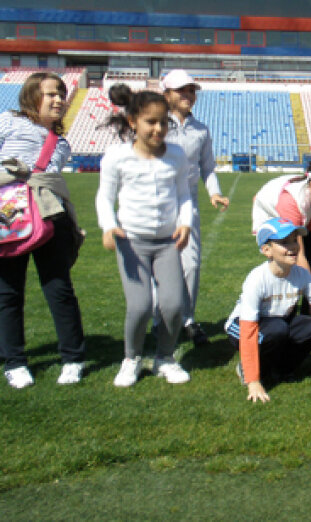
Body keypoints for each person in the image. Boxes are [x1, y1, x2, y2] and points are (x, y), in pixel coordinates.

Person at [96, 85, 193, 387]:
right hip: (132, 243)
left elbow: (184, 194)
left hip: (167, 243)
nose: (158, 129)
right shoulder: (117, 157)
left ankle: (165, 357)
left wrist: (186, 223)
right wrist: (109, 226)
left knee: (173, 305)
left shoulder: (176, 155)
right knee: (139, 307)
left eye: (163, 122)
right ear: (132, 122)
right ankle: (132, 358)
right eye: (150, 122)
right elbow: (104, 197)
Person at [0, 72, 85, 388]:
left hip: (48, 215)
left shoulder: (60, 143)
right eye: (51, 93)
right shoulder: (8, 122)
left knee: (58, 288)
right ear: (31, 96)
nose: (59, 100)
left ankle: (73, 358)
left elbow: (47, 177)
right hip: (9, 215)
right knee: (8, 290)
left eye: (61, 94)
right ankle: (15, 361)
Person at [225, 218, 311, 403]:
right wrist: (253, 382)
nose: (292, 247)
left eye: (294, 240)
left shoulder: (301, 275)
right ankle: (249, 369)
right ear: (266, 250)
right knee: (278, 329)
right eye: (284, 242)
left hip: (277, 325)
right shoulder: (257, 279)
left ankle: (282, 369)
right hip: (242, 327)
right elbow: (248, 330)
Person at [160, 69, 230, 346]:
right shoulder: (155, 124)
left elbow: (207, 167)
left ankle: (187, 320)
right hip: (156, 203)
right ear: (167, 94)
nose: (188, 95)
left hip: (187, 205)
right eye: (182, 90)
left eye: (191, 90)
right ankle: (159, 321)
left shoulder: (201, 130)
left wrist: (215, 193)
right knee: (158, 264)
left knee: (191, 265)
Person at [252, 154, 311, 314]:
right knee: (286, 266)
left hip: (307, 218)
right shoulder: (292, 200)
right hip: (275, 214)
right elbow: (299, 257)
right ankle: (279, 316)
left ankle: (309, 320)